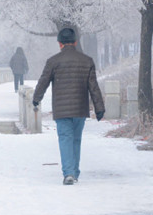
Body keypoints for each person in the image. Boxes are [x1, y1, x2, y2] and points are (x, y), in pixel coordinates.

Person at [32, 27, 105, 185]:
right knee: (76, 140)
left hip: (62, 109)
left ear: (60, 44)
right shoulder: (87, 61)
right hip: (80, 108)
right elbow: (94, 87)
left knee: (65, 139)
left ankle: (69, 173)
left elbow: (43, 82)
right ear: (75, 42)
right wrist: (99, 108)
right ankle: (74, 172)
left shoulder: (53, 62)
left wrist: (36, 99)